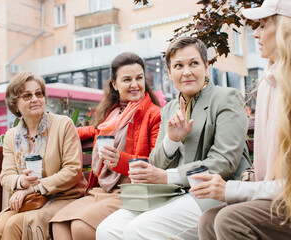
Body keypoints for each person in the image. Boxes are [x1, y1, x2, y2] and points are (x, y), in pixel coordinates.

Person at [191, 0, 291, 239]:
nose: (256, 33)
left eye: (263, 24)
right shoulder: (273, 81)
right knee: (209, 219)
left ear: (287, 30)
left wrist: (231, 189)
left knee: (231, 220)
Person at [96, 37, 251, 239]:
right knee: (107, 230)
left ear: (206, 67)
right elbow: (155, 163)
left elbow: (224, 162)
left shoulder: (226, 98)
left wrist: (168, 176)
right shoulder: (169, 108)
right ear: (170, 73)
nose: (186, 72)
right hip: (174, 194)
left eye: (193, 63)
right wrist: (172, 139)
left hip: (214, 193)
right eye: (178, 65)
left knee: (140, 230)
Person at [50, 52, 161, 240]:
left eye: (139, 78)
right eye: (127, 79)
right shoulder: (112, 115)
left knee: (80, 227)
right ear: (115, 84)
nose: (135, 84)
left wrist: (121, 160)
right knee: (58, 224)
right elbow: (94, 131)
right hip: (102, 190)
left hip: (130, 191)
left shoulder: (154, 115)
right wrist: (59, 132)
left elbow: (156, 163)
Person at [0, 72, 86, 240]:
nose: (35, 99)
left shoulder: (63, 124)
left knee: (15, 225)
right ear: (15, 104)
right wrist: (21, 182)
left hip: (63, 197)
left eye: (38, 93)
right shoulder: (12, 136)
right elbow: (6, 175)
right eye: (27, 95)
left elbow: (73, 170)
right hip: (29, 201)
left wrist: (34, 187)